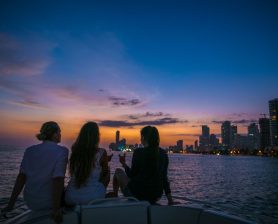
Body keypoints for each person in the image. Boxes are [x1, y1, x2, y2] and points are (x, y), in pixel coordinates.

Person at [1, 121, 69, 223]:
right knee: (72, 192)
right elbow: (58, 179)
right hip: (49, 202)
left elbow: (21, 177)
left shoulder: (30, 150)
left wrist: (11, 204)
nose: (60, 134)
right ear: (54, 134)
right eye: (59, 131)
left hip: (30, 201)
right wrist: (56, 209)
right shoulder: (62, 151)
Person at [112, 126, 174, 205]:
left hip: (137, 195)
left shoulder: (138, 152)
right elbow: (164, 178)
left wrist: (124, 164)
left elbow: (131, 175)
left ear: (144, 137)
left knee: (118, 171)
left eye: (141, 137)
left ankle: (114, 198)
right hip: (156, 196)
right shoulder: (163, 153)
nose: (140, 139)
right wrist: (170, 200)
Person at [65, 122, 110, 205]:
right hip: (93, 198)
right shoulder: (101, 152)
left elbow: (85, 162)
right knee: (107, 172)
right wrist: (105, 161)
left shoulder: (75, 151)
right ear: (97, 136)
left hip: (70, 197)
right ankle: (101, 192)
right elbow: (104, 174)